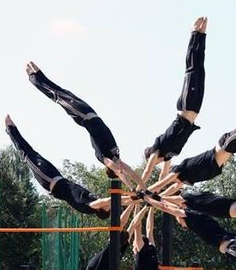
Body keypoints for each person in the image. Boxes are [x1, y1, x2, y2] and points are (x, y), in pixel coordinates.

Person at [25, 61, 147, 191]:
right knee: (61, 91)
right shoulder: (117, 155)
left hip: (82, 116)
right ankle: (36, 72)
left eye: (119, 169)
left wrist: (131, 188)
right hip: (90, 112)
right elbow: (133, 173)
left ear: (112, 169)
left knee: (57, 96)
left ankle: (32, 76)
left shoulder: (103, 158)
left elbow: (121, 172)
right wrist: (144, 189)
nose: (123, 167)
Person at [5, 115, 113, 219]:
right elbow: (109, 201)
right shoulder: (91, 199)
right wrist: (130, 198)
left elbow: (106, 201)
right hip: (56, 176)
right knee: (32, 153)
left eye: (108, 207)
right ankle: (12, 129)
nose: (108, 204)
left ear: (100, 209)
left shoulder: (88, 207)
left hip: (48, 179)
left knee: (28, 155)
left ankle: (10, 129)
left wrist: (125, 198)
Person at [141, 17, 208, 184]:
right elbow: (164, 175)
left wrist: (140, 188)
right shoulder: (168, 156)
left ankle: (195, 33)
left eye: (153, 161)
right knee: (200, 70)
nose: (156, 164)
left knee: (192, 70)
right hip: (195, 109)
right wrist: (156, 191)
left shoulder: (157, 148)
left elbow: (149, 168)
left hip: (185, 107)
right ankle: (202, 36)